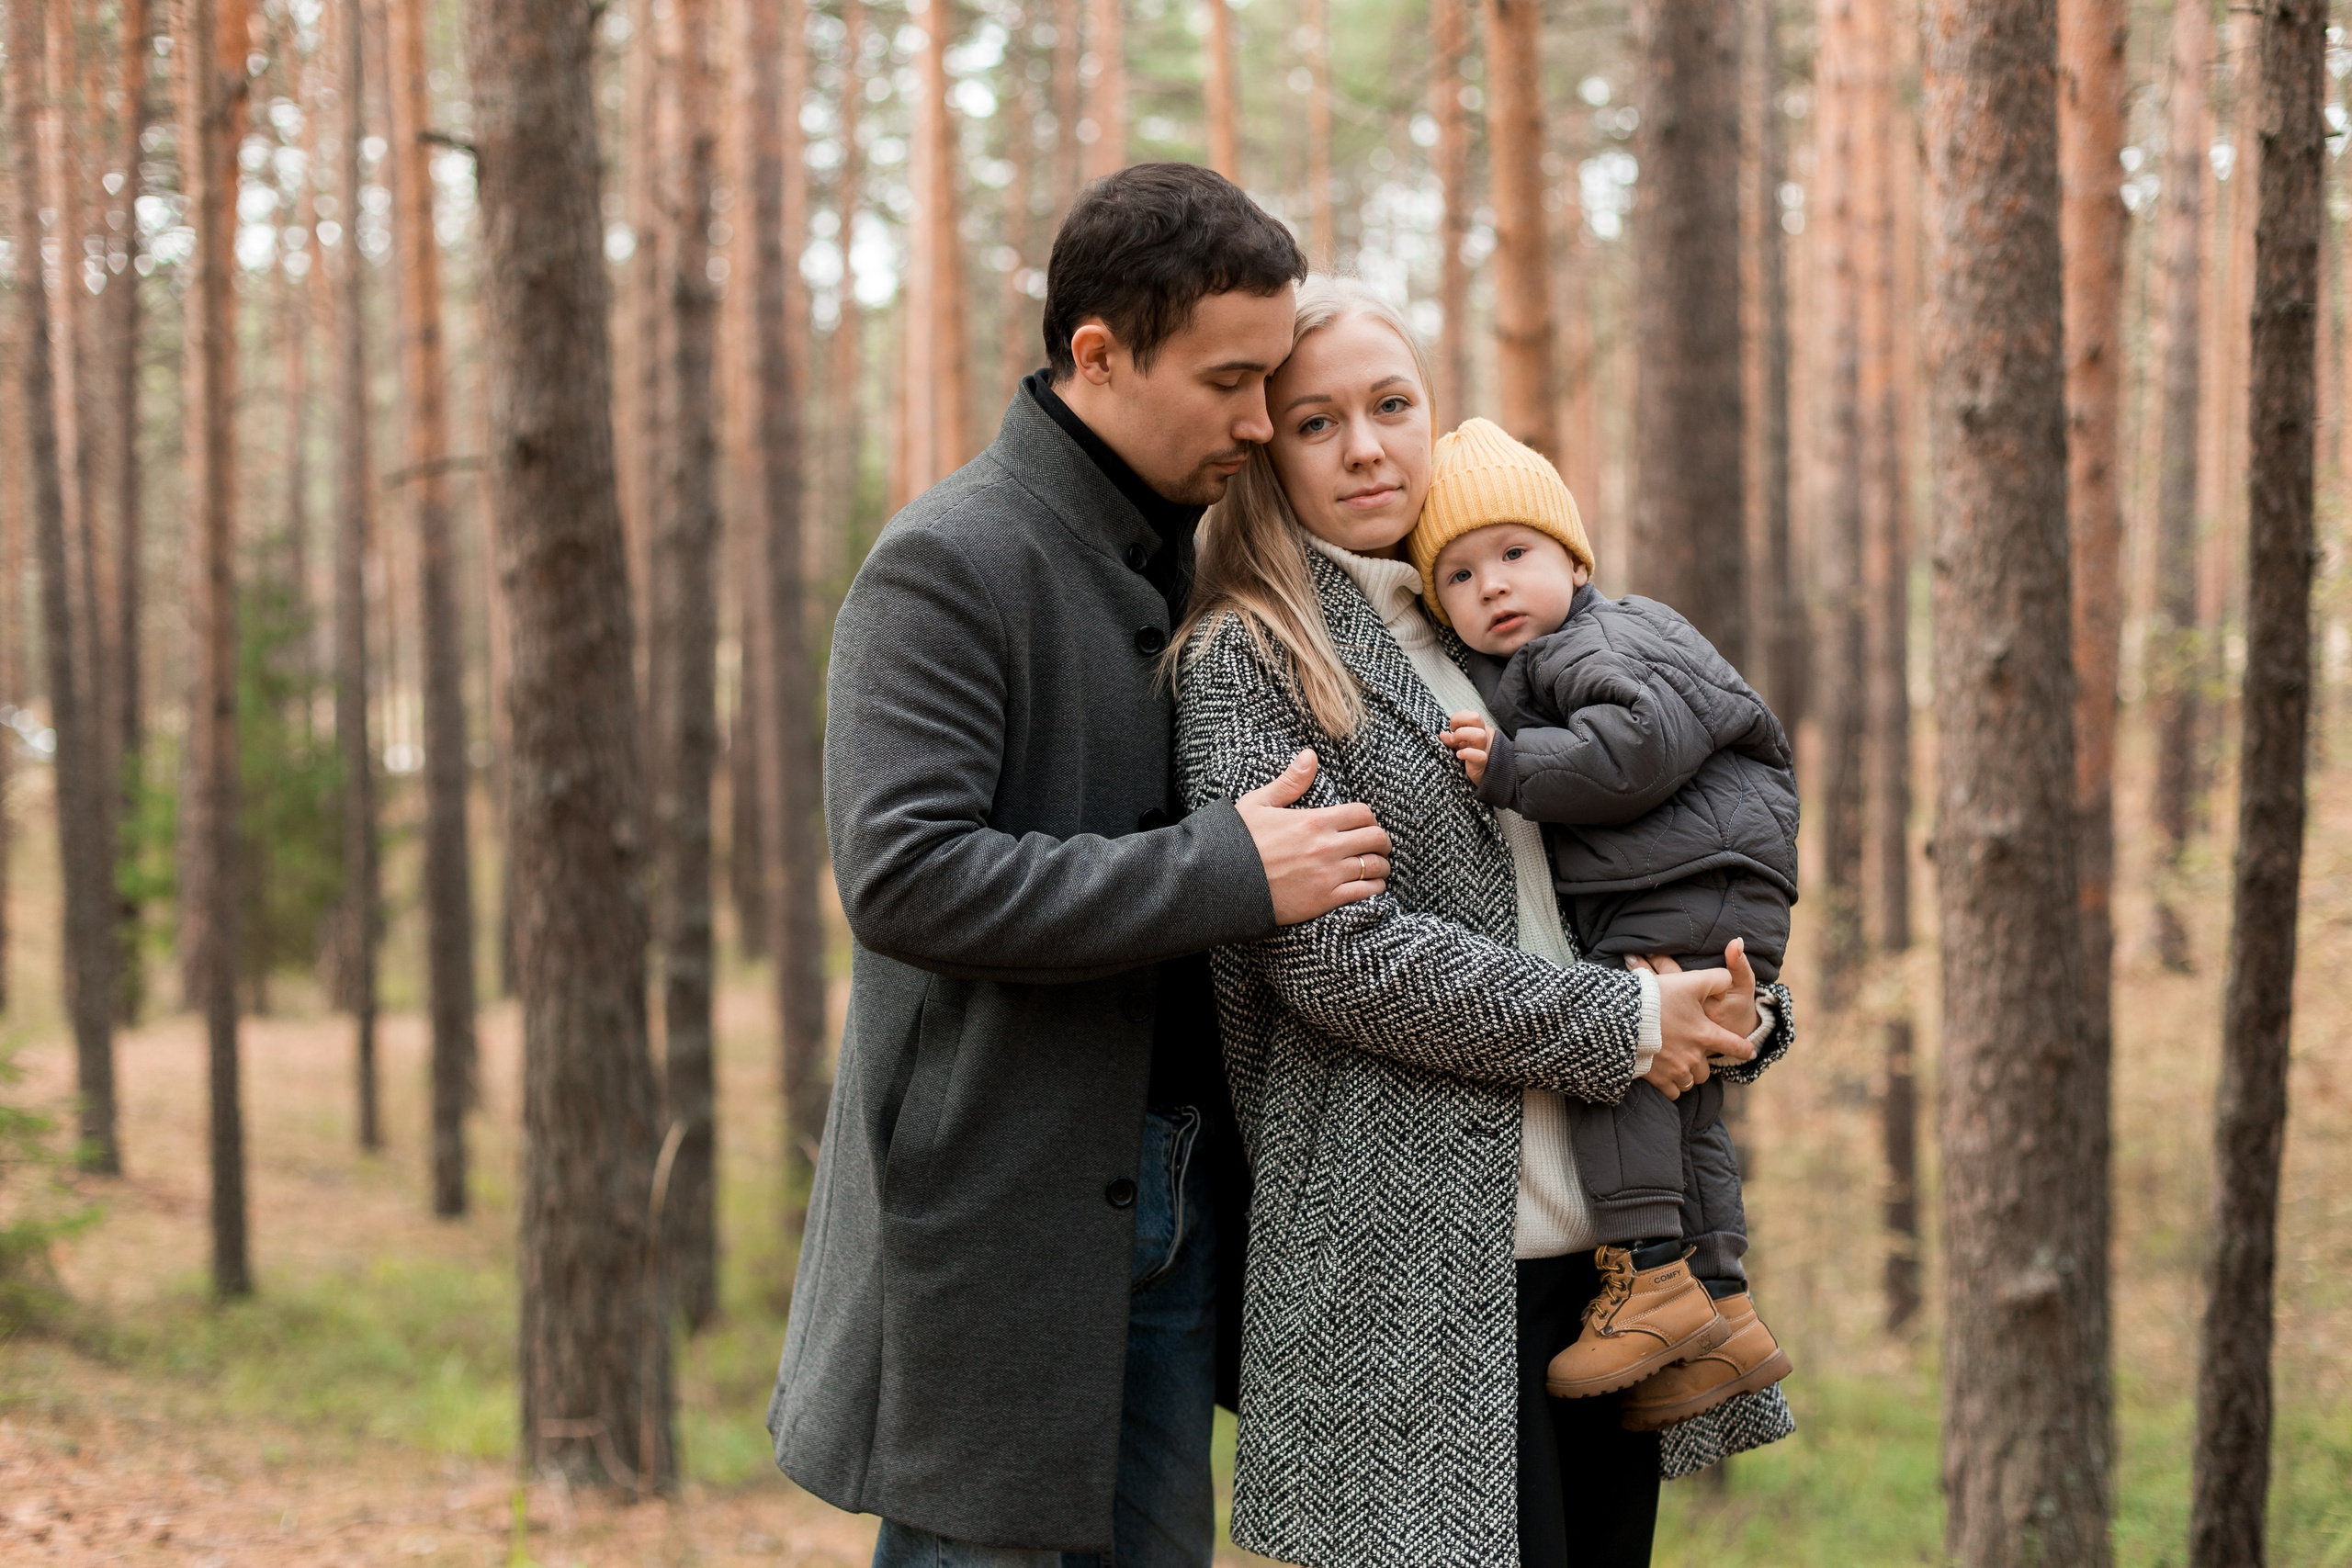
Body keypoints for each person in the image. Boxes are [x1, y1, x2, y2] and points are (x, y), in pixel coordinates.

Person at [767, 166, 1401, 1568]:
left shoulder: (1204, 561)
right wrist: (1225, 867)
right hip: (993, 1226)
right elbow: (907, 877)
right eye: (1232, 379)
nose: (1258, 418)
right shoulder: (947, 560)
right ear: (1100, 353)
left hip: (1170, 1196)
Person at [1170, 276, 1796, 1568]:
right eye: (1316, 420)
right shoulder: (1250, 654)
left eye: (1393, 405)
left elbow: (1642, 864)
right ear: (1264, 451)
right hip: (1408, 1266)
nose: (1367, 446)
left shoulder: (1499, 618)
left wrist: (1730, 1002)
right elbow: (1331, 952)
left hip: (1618, 1263)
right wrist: (1628, 1018)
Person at [1413, 417, 1796, 1430]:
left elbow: (1633, 748)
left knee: (1615, 1051)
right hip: (1708, 884)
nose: (1490, 584)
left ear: (1571, 558)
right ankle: (1722, 1306)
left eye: (1513, 554)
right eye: (1456, 575)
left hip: (1687, 882)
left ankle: (1653, 1272)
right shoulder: (1574, 646)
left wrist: (1508, 769)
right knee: (1684, 1095)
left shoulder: (1601, 637)